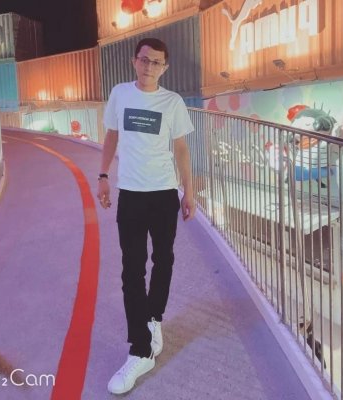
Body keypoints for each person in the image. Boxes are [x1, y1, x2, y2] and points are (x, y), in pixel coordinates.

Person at [97, 37, 196, 395]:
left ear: (164, 68)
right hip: (131, 195)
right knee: (132, 270)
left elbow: (181, 148)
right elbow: (111, 135)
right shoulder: (120, 94)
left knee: (164, 259)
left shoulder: (172, 102)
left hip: (164, 193)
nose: (148, 66)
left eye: (156, 62)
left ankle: (154, 318)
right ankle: (140, 350)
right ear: (134, 61)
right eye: (144, 60)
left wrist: (189, 191)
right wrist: (103, 175)